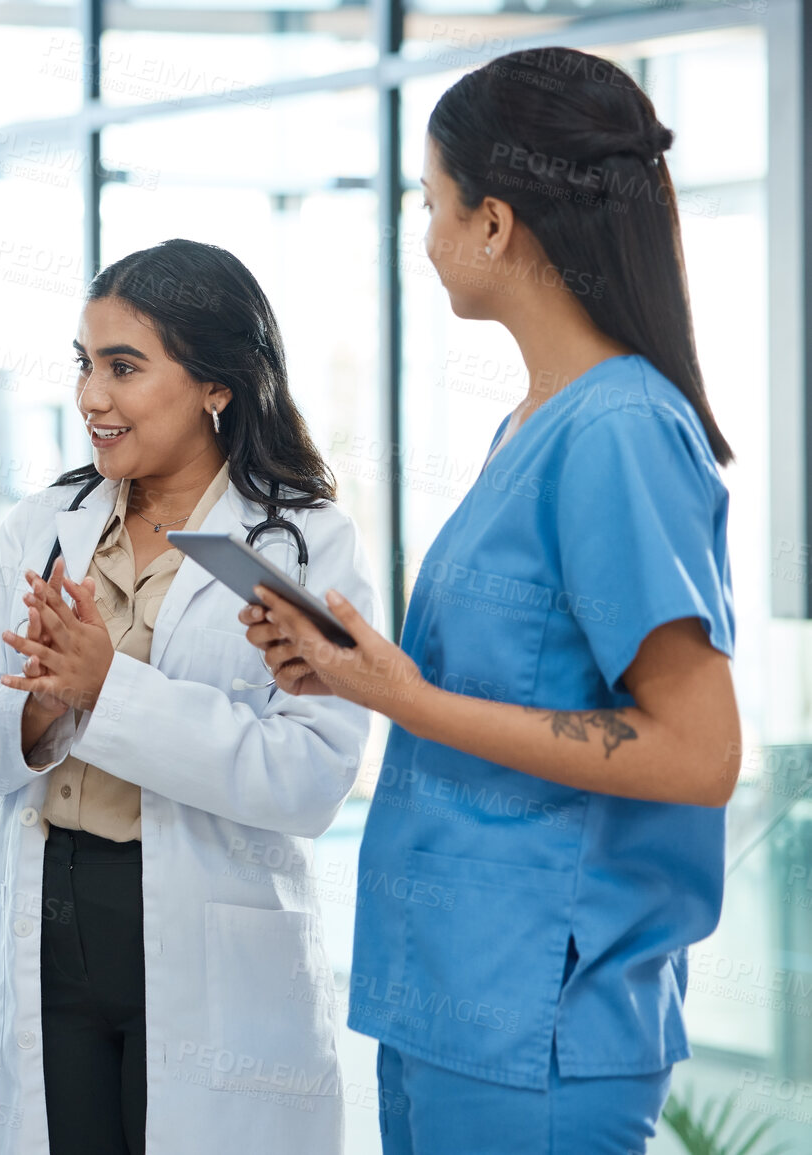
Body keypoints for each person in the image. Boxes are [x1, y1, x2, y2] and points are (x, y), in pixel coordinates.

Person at [240, 47, 740, 1155]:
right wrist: (347, 672)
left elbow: (698, 753)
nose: (425, 237)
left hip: (543, 1024)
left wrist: (410, 702)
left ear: (497, 223)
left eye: (432, 203)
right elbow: (490, 692)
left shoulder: (620, 430)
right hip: (450, 1004)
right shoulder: (532, 424)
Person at [0, 239, 377, 1153]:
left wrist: (106, 687)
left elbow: (310, 777)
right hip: (46, 921)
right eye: (85, 364)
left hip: (209, 940)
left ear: (217, 384)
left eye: (124, 367)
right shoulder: (42, 526)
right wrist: (41, 710)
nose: (92, 396)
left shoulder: (301, 542)